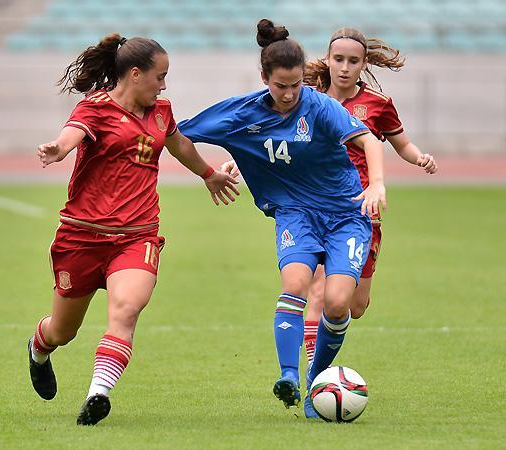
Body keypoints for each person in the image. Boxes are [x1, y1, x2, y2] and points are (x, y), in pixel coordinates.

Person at [27, 33, 239, 426]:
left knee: (126, 310)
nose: (164, 86)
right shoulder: (95, 108)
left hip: (137, 237)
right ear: (136, 74)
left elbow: (180, 145)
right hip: (81, 237)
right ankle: (38, 350)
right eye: (160, 77)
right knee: (62, 331)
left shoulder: (161, 112)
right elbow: (71, 135)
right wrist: (59, 148)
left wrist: (209, 174)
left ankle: (97, 394)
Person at [178, 19, 386, 419]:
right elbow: (177, 134)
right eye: (280, 86)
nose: (290, 94)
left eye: (295, 85)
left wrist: (376, 184)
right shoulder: (240, 112)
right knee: (294, 285)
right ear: (264, 78)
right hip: (295, 215)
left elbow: (369, 141)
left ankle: (316, 379)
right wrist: (208, 173)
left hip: (346, 214)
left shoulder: (319, 105)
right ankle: (289, 377)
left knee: (338, 304)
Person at [299, 28, 438, 364]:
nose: (345, 67)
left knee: (356, 305)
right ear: (328, 60)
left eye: (353, 61)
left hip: (363, 211)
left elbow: (402, 144)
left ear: (364, 64)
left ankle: (324, 347)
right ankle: (315, 371)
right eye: (338, 59)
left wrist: (419, 157)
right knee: (319, 290)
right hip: (319, 207)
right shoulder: (309, 99)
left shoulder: (378, 104)